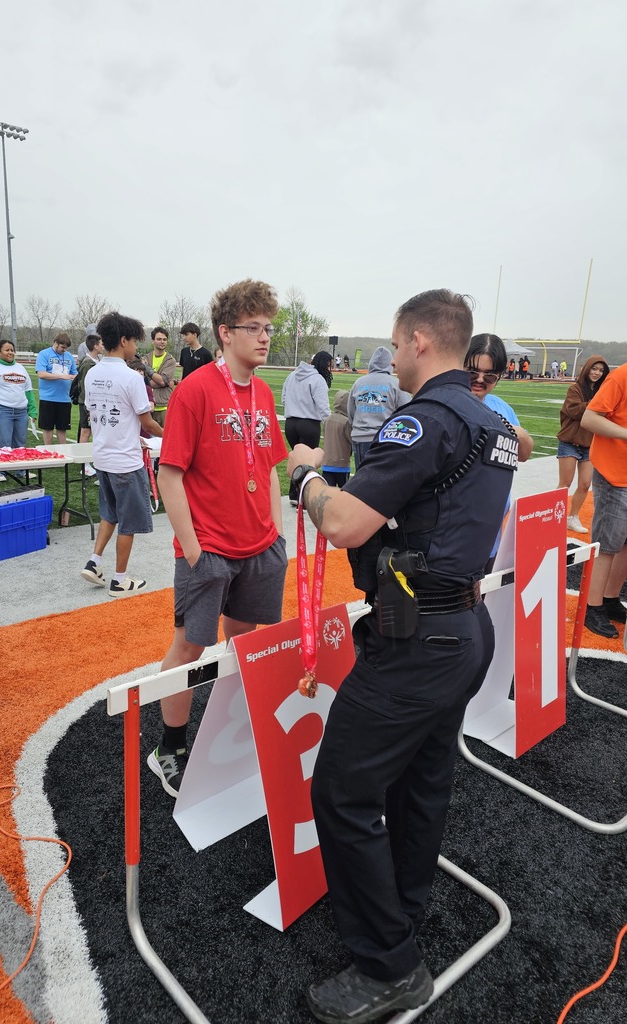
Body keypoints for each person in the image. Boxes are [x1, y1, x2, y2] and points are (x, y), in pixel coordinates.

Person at [287, 289, 516, 1023]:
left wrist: (308, 477)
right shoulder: (492, 420)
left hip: (418, 640)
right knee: (421, 782)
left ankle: (391, 964)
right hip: (464, 628)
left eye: (393, 343)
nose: (389, 356)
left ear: (421, 340)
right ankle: (401, 912)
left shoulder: (430, 418)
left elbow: (349, 524)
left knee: (342, 791)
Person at [147, 278, 288, 797]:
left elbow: (270, 467)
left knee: (248, 645)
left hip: (258, 548)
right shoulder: (195, 389)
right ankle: (169, 747)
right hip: (208, 548)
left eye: (268, 328)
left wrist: (276, 534)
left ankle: (237, 733)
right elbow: (170, 474)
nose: (265, 337)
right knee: (188, 647)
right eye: (254, 328)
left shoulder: (265, 391)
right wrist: (192, 547)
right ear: (225, 333)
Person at [79, 313, 164, 596]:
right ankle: (119, 579)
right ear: (124, 340)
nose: (136, 348)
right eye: (135, 342)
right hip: (125, 462)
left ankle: (94, 562)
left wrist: (132, 436)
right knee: (128, 522)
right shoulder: (130, 377)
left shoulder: (93, 372)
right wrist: (174, 435)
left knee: (110, 513)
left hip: (103, 456)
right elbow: (148, 422)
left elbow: (99, 415)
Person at [465, 334, 534, 570]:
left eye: (490, 375)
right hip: (454, 533)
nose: (480, 380)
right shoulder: (445, 403)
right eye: (472, 372)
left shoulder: (501, 407)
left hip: (491, 528)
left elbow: (524, 453)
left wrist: (517, 432)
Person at [580, 362, 627, 638]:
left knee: (624, 543)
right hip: (613, 473)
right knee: (607, 545)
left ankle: (609, 599)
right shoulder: (621, 376)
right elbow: (589, 418)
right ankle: (592, 605)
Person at [557, 356, 610, 534]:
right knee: (565, 483)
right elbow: (573, 410)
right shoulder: (575, 389)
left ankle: (572, 517)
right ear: (587, 368)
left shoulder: (602, 390)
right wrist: (598, 405)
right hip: (569, 442)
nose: (597, 373)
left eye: (601, 370)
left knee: (585, 484)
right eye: (594, 368)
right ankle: (556, 517)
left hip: (589, 444)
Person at [0, 339, 38, 482]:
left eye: (12, 350)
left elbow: (28, 390)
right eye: (7, 350)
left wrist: (33, 410)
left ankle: (20, 470)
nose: (10, 352)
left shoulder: (20, 368)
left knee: (20, 442)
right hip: (3, 410)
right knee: (2, 442)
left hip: (21, 411)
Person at [281, 350, 332, 505]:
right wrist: (330, 424)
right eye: (329, 366)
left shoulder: (292, 376)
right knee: (308, 462)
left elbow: (284, 398)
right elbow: (323, 407)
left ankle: (294, 494)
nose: (330, 370)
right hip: (309, 424)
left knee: (298, 459)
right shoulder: (318, 380)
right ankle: (301, 496)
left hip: (290, 423)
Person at [347, 347, 410, 469]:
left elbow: (351, 413)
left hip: (360, 437)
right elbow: (407, 411)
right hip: (386, 439)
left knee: (361, 482)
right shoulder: (395, 384)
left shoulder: (359, 383)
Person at [35, 332, 77, 445]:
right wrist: (61, 376)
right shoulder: (44, 354)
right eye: (62, 347)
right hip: (48, 397)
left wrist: (74, 377)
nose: (64, 350)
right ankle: (48, 453)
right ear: (56, 343)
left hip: (64, 398)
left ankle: (63, 454)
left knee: (62, 428)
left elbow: (74, 373)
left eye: (66, 348)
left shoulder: (69, 357)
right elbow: (41, 374)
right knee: (47, 428)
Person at [75, 333, 105, 477]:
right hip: (88, 403)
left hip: (95, 403)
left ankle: (91, 461)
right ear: (95, 346)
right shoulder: (87, 363)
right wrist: (90, 406)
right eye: (101, 344)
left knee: (92, 431)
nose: (103, 346)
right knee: (85, 431)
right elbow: (86, 387)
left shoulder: (97, 360)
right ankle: (84, 464)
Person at [140, 327, 177, 427]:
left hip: (164, 407)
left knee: (166, 439)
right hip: (147, 407)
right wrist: (159, 381)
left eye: (164, 339)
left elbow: (162, 381)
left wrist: (147, 370)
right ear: (153, 341)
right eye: (159, 339)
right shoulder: (145, 358)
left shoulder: (170, 361)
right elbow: (140, 381)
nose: (162, 342)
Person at [321, 390, 352, 487]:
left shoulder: (327, 419)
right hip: (341, 464)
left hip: (327, 463)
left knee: (328, 493)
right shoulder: (346, 421)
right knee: (344, 492)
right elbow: (351, 440)